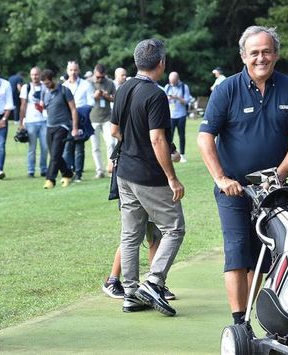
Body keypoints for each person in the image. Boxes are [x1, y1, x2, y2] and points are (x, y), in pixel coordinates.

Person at [197, 26, 288, 325]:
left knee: (262, 256)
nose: (261, 58)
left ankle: (247, 315)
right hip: (233, 189)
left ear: (276, 54)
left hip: (271, 192)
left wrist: (279, 175)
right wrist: (221, 179)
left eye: (267, 51)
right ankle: (239, 322)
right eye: (255, 53)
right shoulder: (226, 90)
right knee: (236, 252)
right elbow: (205, 137)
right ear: (243, 56)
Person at [111, 38, 185, 315]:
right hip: (148, 175)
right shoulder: (155, 94)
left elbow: (114, 131)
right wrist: (172, 177)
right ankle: (154, 282)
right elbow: (157, 139)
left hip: (124, 172)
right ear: (162, 63)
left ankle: (131, 294)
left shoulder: (123, 88)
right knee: (174, 228)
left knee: (130, 235)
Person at [40, 69, 78, 189]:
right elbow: (46, 108)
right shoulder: (45, 92)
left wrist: (75, 128)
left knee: (56, 154)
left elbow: (73, 109)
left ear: (53, 79)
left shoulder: (64, 91)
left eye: (47, 83)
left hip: (62, 126)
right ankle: (68, 173)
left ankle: (50, 179)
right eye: (44, 84)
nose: (46, 86)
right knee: (54, 154)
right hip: (49, 126)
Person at [62, 60, 94, 182]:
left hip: (81, 119)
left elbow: (91, 102)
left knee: (79, 147)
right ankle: (68, 172)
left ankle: (79, 174)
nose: (73, 72)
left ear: (79, 70)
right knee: (67, 146)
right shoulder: (64, 86)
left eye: (75, 70)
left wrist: (80, 111)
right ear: (67, 71)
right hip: (68, 119)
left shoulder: (86, 85)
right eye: (71, 70)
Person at [19, 67, 48, 177]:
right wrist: (21, 122)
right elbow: (23, 105)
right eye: (32, 74)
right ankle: (31, 170)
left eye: (37, 74)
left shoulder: (45, 87)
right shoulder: (26, 87)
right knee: (32, 148)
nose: (35, 77)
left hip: (44, 120)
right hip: (31, 121)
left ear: (41, 75)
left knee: (45, 147)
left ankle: (43, 169)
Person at [89, 64, 116, 178]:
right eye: (98, 77)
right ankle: (99, 170)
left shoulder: (110, 83)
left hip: (106, 117)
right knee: (95, 146)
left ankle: (111, 168)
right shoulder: (88, 82)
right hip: (92, 118)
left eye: (102, 77)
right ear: (94, 73)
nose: (99, 79)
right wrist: (94, 96)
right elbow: (85, 99)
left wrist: (106, 96)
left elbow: (115, 98)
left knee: (111, 143)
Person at [163, 71, 191, 163]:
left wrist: (177, 98)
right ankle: (169, 154)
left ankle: (182, 155)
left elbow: (186, 101)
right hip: (171, 115)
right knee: (169, 136)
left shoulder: (184, 87)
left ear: (177, 79)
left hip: (181, 115)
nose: (172, 83)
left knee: (181, 135)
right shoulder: (167, 87)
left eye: (174, 81)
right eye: (171, 81)